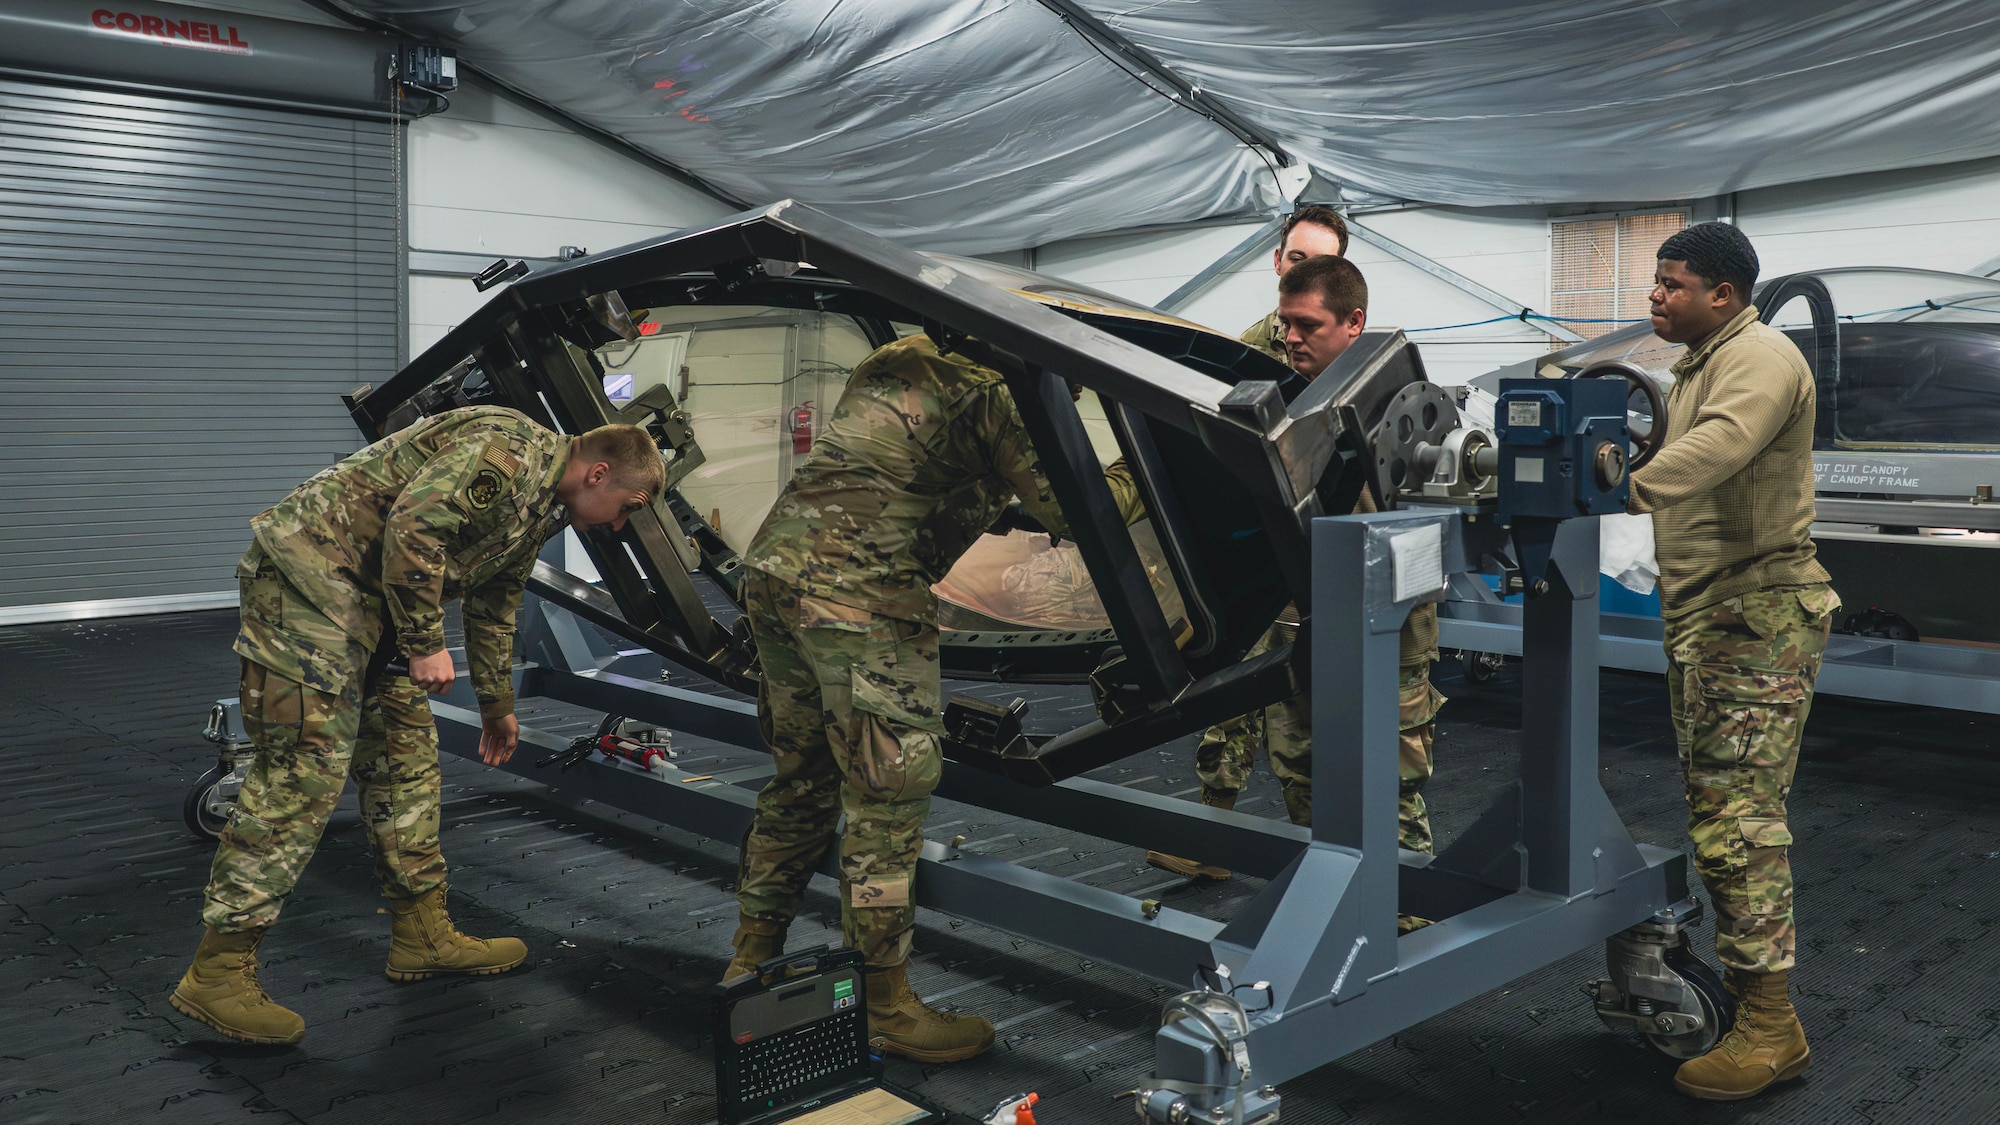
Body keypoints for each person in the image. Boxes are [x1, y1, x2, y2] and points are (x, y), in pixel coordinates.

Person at [169, 406, 664, 1046]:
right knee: (301, 775)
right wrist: (426, 640)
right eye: (626, 507)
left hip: (372, 605)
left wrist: (496, 703)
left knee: (406, 765)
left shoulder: (540, 507)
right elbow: (414, 527)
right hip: (310, 583)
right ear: (598, 473)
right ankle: (217, 971)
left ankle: (422, 935)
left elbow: (495, 602)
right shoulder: (506, 450)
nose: (621, 524)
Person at [726, 333, 1141, 1065]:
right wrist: (1139, 467)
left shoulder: (902, 351)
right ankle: (883, 1004)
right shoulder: (1005, 393)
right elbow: (1080, 513)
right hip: (860, 592)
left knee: (802, 777)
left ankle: (748, 960)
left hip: (776, 568)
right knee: (887, 798)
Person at [1148, 256, 1445, 886]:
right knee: (1302, 767)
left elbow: (1421, 540)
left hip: (1385, 635)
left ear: (1353, 323)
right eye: (1285, 323)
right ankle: (1336, 893)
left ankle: (1411, 905)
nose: (1290, 337)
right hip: (1298, 622)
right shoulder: (1283, 403)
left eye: (1306, 324)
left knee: (1389, 780)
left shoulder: (1405, 410)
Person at [1626, 222, 1838, 1101]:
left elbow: (1715, 449)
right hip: (1714, 617)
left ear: (1722, 292)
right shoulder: (1700, 360)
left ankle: (1771, 1027)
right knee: (1720, 810)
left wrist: (1616, 484)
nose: (1656, 296)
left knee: (1738, 822)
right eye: (1657, 282)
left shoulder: (1757, 360)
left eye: (1672, 284)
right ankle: (1758, 1005)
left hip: (1753, 618)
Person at [1239, 203, 1349, 362]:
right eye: (1297, 259)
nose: (1306, 274)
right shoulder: (1249, 348)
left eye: (1321, 265)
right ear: (1278, 261)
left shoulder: (1354, 350)